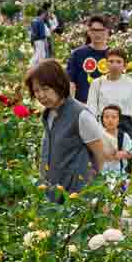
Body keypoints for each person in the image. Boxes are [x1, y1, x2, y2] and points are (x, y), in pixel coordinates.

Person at [27, 59, 113, 193]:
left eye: (45, 89)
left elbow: (101, 156)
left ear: (59, 84)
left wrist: (99, 191)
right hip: (52, 192)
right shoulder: (48, 114)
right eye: (36, 91)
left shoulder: (80, 115)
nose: (41, 95)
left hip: (76, 196)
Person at [88, 46, 132, 143]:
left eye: (118, 62)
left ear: (125, 65)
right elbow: (91, 109)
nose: (114, 65)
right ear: (106, 64)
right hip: (103, 129)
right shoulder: (97, 83)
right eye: (111, 61)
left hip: (126, 129)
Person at [66, 15, 110, 103]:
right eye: (94, 30)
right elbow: (71, 83)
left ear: (107, 31)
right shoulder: (77, 54)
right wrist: (72, 106)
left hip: (107, 108)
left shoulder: (113, 56)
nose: (97, 34)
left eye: (101, 30)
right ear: (88, 32)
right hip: (83, 105)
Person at [97, 103, 132, 186]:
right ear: (102, 119)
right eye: (106, 117)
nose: (110, 120)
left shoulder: (123, 136)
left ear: (119, 120)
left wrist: (123, 154)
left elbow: (131, 153)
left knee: (117, 196)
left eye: (114, 117)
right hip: (101, 175)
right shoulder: (99, 135)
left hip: (119, 174)